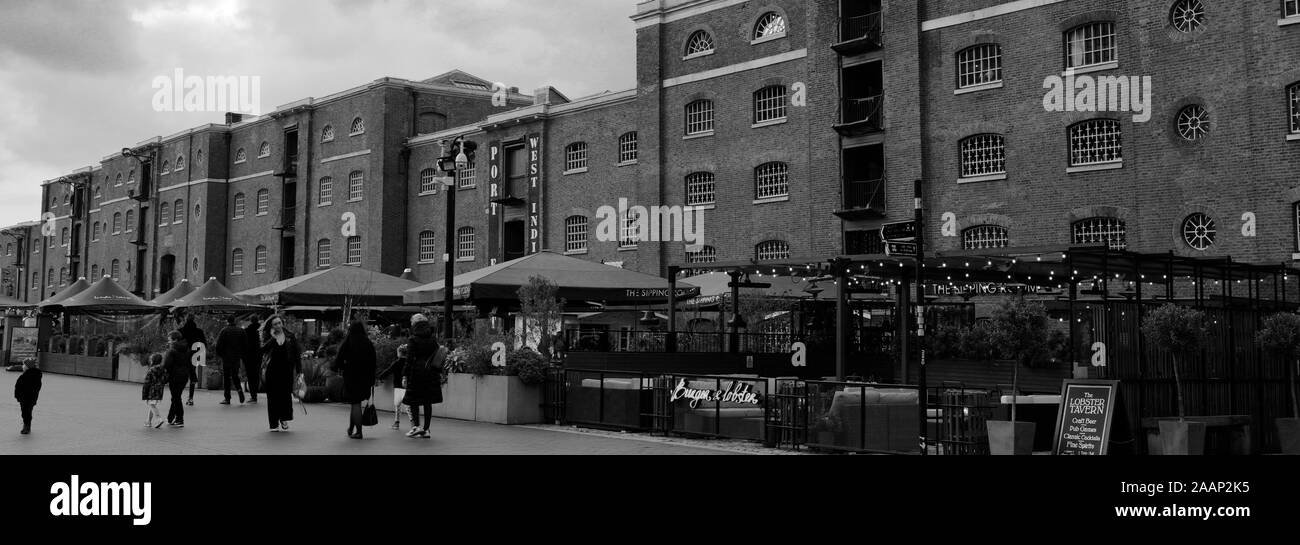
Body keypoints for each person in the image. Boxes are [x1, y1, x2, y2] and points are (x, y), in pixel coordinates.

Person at [402, 314, 445, 439]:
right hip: (431, 372)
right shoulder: (432, 339)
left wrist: (405, 375)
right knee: (427, 401)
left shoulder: (413, 339)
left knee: (413, 400)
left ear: (414, 324)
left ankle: (416, 427)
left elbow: (409, 360)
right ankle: (426, 429)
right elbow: (438, 355)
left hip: (417, 373)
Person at [333, 321, 377, 439]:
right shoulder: (368, 343)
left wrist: (343, 368)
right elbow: (373, 362)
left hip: (351, 377)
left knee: (355, 403)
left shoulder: (348, 343)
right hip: (365, 378)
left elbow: (338, 361)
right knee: (355, 403)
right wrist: (372, 378)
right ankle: (351, 428)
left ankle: (359, 432)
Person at [260, 314, 303, 432]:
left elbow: (296, 354)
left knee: (284, 397)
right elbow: (262, 350)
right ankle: (273, 423)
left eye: (279, 323)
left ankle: (284, 418)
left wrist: (299, 371)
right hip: (272, 371)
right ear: (272, 326)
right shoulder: (269, 336)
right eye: (275, 324)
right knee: (273, 398)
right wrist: (273, 338)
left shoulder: (290, 336)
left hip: (286, 372)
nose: (278, 325)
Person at [214, 316, 248, 404]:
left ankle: (227, 398)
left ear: (227, 321)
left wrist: (221, 355)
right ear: (234, 321)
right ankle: (239, 390)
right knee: (235, 375)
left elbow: (218, 345)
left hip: (227, 358)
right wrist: (241, 355)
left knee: (227, 377)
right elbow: (245, 345)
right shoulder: (241, 331)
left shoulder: (224, 331)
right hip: (236, 357)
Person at [377, 344, 411, 430]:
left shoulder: (397, 363)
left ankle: (397, 423)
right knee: (408, 406)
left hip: (398, 387)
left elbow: (388, 370)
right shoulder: (408, 362)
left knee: (397, 406)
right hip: (407, 386)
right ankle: (414, 424)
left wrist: (380, 377)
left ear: (399, 353)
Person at [163, 331, 191, 428]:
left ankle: (180, 419)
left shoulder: (172, 350)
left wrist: (164, 375)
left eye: (169, 340)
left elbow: (167, 365)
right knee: (176, 397)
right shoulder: (187, 349)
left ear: (175, 340)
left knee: (176, 398)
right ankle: (170, 418)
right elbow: (190, 364)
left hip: (174, 376)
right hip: (184, 376)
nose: (168, 342)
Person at [179, 316, 207, 406]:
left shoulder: (180, 331)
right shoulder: (199, 331)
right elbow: (204, 344)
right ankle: (191, 398)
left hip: (183, 356)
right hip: (194, 355)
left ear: (186, 321)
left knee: (181, 374)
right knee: (192, 374)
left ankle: (178, 395)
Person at [14, 359, 42, 435]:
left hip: (27, 397)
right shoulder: (28, 375)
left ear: (28, 367)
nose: (23, 367)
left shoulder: (29, 376)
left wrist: (20, 395)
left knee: (26, 412)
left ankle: (26, 426)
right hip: (27, 397)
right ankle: (26, 425)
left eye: (25, 365)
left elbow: (35, 387)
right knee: (26, 411)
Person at [142, 354, 167, 428]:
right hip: (160, 389)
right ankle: (148, 421)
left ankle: (158, 418)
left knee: (151, 404)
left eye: (151, 359)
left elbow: (147, 382)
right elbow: (165, 379)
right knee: (152, 405)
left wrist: (144, 393)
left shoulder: (151, 370)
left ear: (154, 360)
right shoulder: (163, 369)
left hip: (151, 390)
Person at [243, 316, 262, 402]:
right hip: (259, 356)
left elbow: (243, 344)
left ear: (251, 321)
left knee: (250, 376)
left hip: (249, 356)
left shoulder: (247, 331)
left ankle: (253, 396)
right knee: (257, 375)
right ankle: (255, 393)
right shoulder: (261, 330)